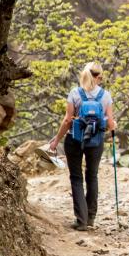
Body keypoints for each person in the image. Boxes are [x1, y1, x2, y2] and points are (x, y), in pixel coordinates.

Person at [48, 62, 116, 231]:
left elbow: (67, 120)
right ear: (98, 77)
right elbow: (110, 123)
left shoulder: (75, 93)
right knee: (92, 176)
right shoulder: (105, 95)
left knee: (76, 178)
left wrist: (56, 140)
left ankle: (81, 220)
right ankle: (91, 217)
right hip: (96, 141)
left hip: (74, 139)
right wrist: (111, 126)